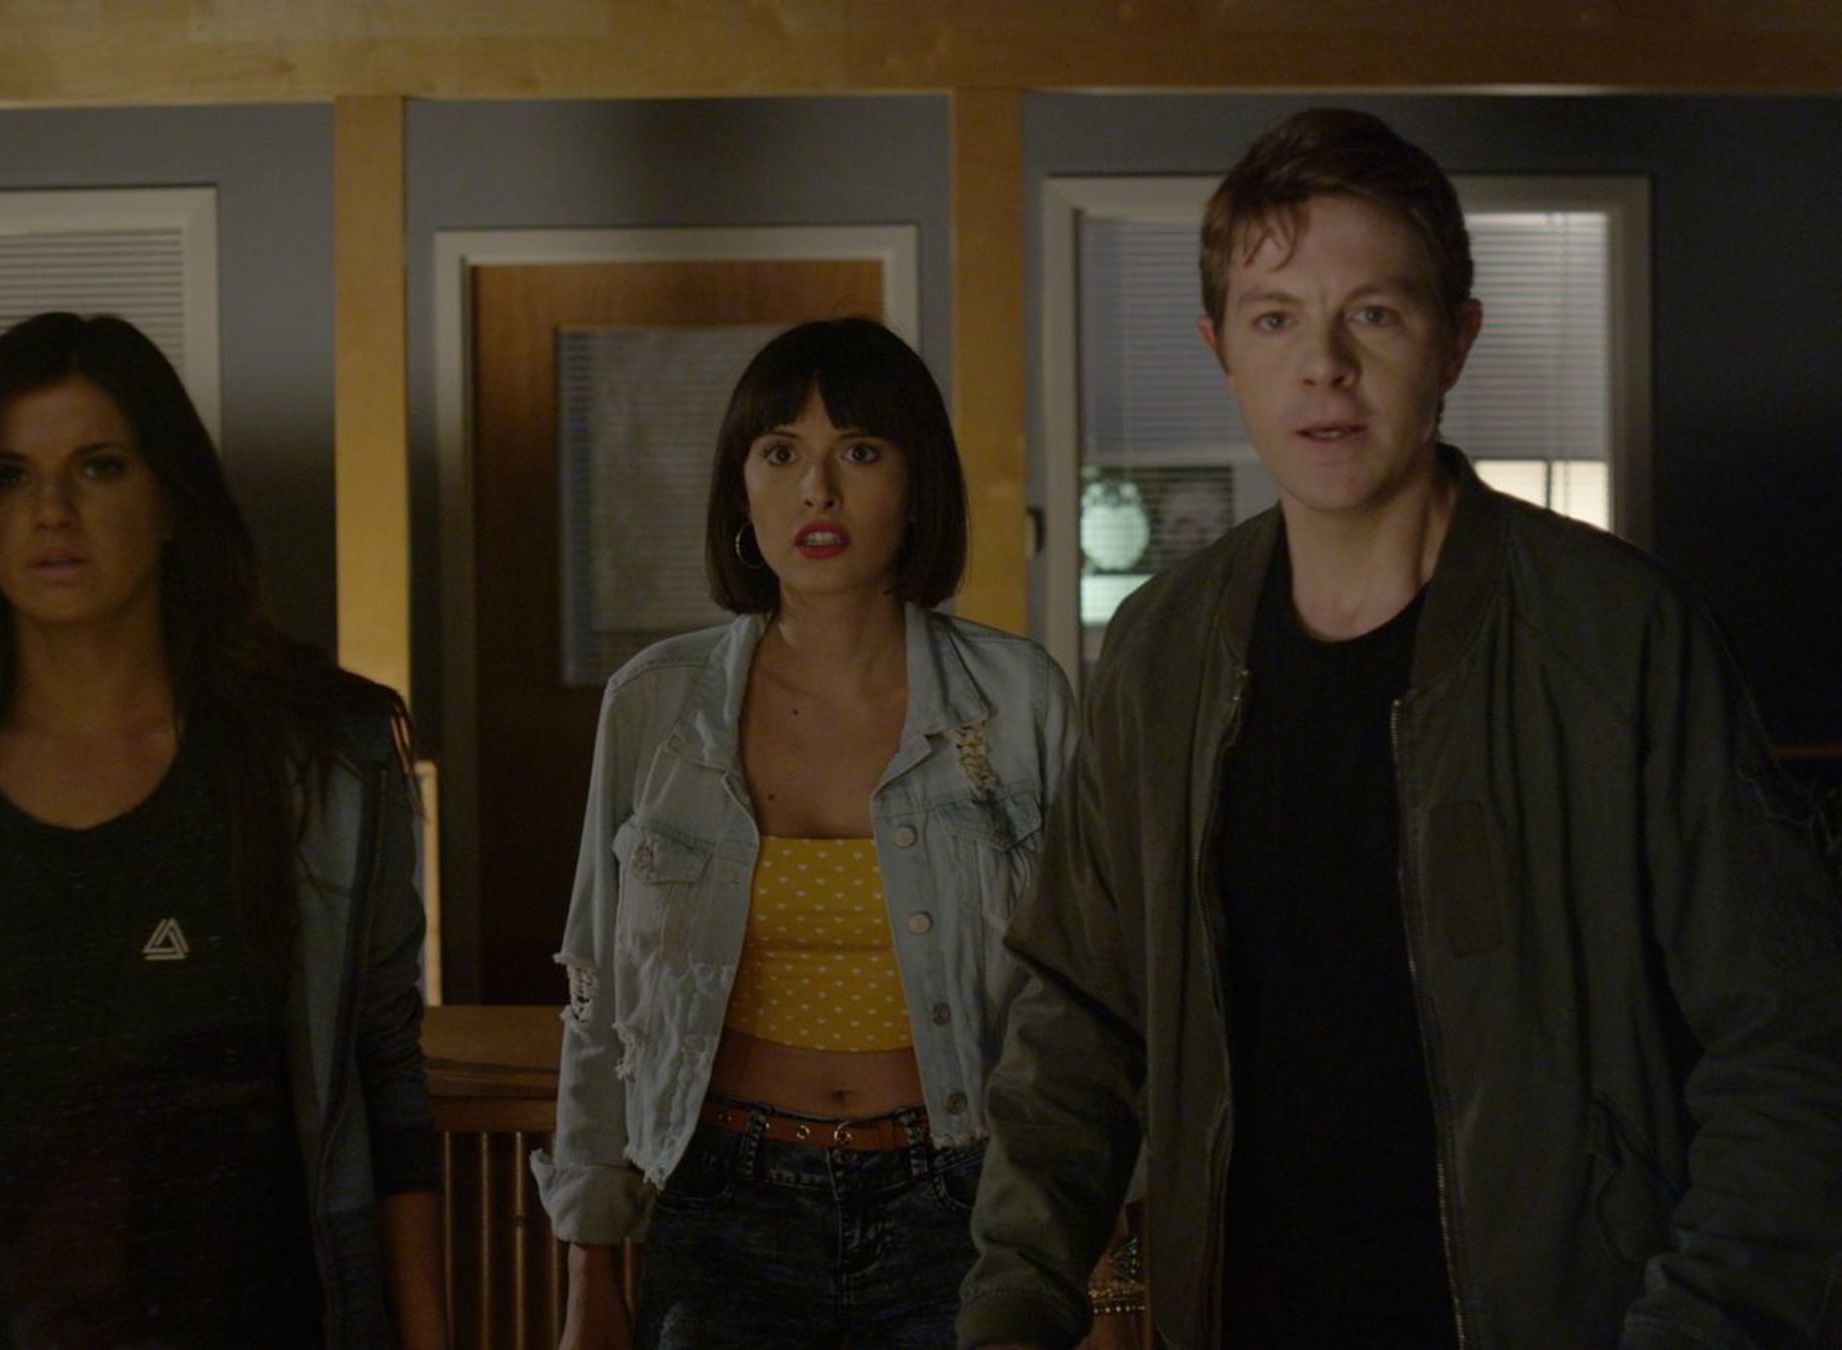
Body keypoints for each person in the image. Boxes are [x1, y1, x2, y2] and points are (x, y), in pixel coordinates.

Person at [960, 109, 1842, 1350]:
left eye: (1373, 313)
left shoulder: (1617, 636)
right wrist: (1015, 1300)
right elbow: (1077, 1019)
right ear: (1220, 349)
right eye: (1275, 318)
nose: (1323, 365)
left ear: (1455, 341)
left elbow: (1790, 1045)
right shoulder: (1164, 649)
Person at [0, 312, 446, 1348]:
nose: (51, 510)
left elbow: (385, 1075)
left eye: (99, 467)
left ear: (170, 498)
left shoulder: (314, 767)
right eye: (9, 476)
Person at [532, 317, 1077, 1349]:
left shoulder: (1017, 701)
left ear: (916, 487)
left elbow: (1086, 998)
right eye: (781, 454)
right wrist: (588, 1268)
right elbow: (598, 991)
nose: (817, 491)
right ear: (741, 491)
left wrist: (1104, 1261)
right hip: (724, 1201)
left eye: (859, 453)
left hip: (965, 1197)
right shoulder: (659, 702)